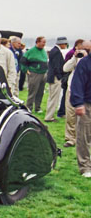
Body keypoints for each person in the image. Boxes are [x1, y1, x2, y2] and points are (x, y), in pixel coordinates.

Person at [62, 40, 91, 148]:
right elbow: (65, 68)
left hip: (86, 94)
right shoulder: (77, 59)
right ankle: (70, 138)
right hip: (71, 90)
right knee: (70, 116)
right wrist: (74, 58)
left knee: (85, 121)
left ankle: (84, 139)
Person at [69, 41, 91, 178]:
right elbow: (77, 83)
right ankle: (85, 166)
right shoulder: (84, 63)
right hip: (87, 104)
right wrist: (78, 104)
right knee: (84, 136)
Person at [21, 36, 48, 113]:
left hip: (43, 73)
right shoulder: (30, 51)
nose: (44, 44)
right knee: (33, 91)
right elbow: (23, 61)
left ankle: (37, 108)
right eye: (43, 42)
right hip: (34, 73)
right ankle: (29, 107)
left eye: (45, 42)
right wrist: (26, 70)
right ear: (38, 42)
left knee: (40, 92)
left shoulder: (44, 51)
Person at [44, 37, 68, 122]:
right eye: (65, 44)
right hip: (55, 77)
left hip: (51, 77)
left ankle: (49, 115)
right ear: (61, 43)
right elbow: (56, 66)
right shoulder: (57, 52)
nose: (65, 46)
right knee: (54, 98)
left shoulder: (53, 50)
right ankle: (49, 117)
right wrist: (59, 77)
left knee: (51, 97)